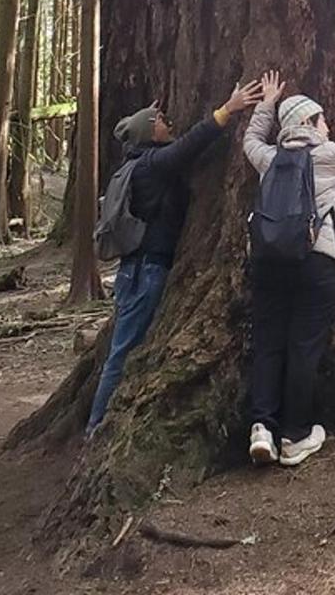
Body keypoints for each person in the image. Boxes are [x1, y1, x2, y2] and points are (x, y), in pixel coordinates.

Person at [87, 81, 264, 437]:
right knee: (122, 351)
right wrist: (228, 109)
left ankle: (99, 421)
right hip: (146, 269)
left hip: (134, 270)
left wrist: (147, 119)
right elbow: (188, 146)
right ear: (150, 132)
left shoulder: (135, 163)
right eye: (161, 120)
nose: (168, 122)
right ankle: (96, 426)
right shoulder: (152, 165)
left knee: (125, 347)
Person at [242, 69, 335, 466]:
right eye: (322, 119)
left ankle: (262, 426)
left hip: (268, 262)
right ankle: (296, 435)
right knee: (304, 346)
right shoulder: (328, 156)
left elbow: (251, 140)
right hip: (318, 261)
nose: (328, 125)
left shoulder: (270, 159)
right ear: (308, 124)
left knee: (268, 343)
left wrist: (266, 104)